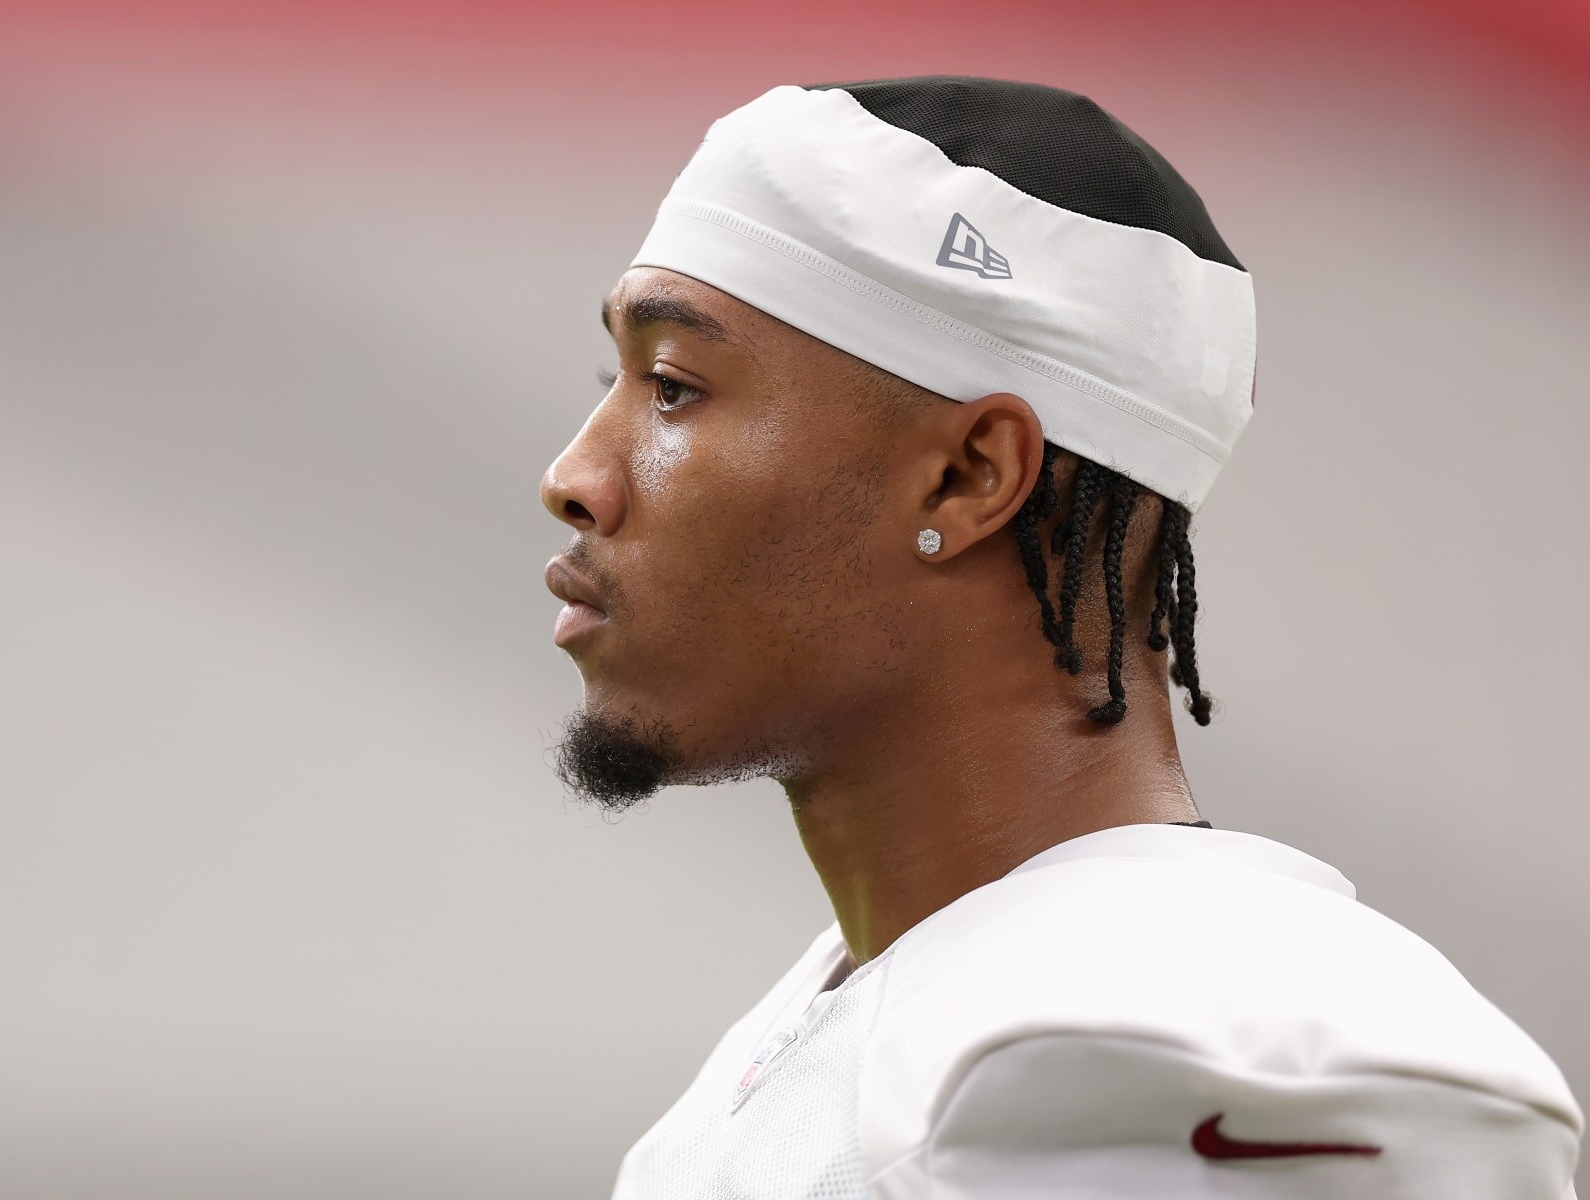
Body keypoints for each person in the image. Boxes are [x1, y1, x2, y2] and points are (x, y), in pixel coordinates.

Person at [537, 76, 1582, 1198]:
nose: (573, 479)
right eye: (618, 380)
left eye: (675, 389)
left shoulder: (1202, 1056)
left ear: (967, 475)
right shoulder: (847, 1026)